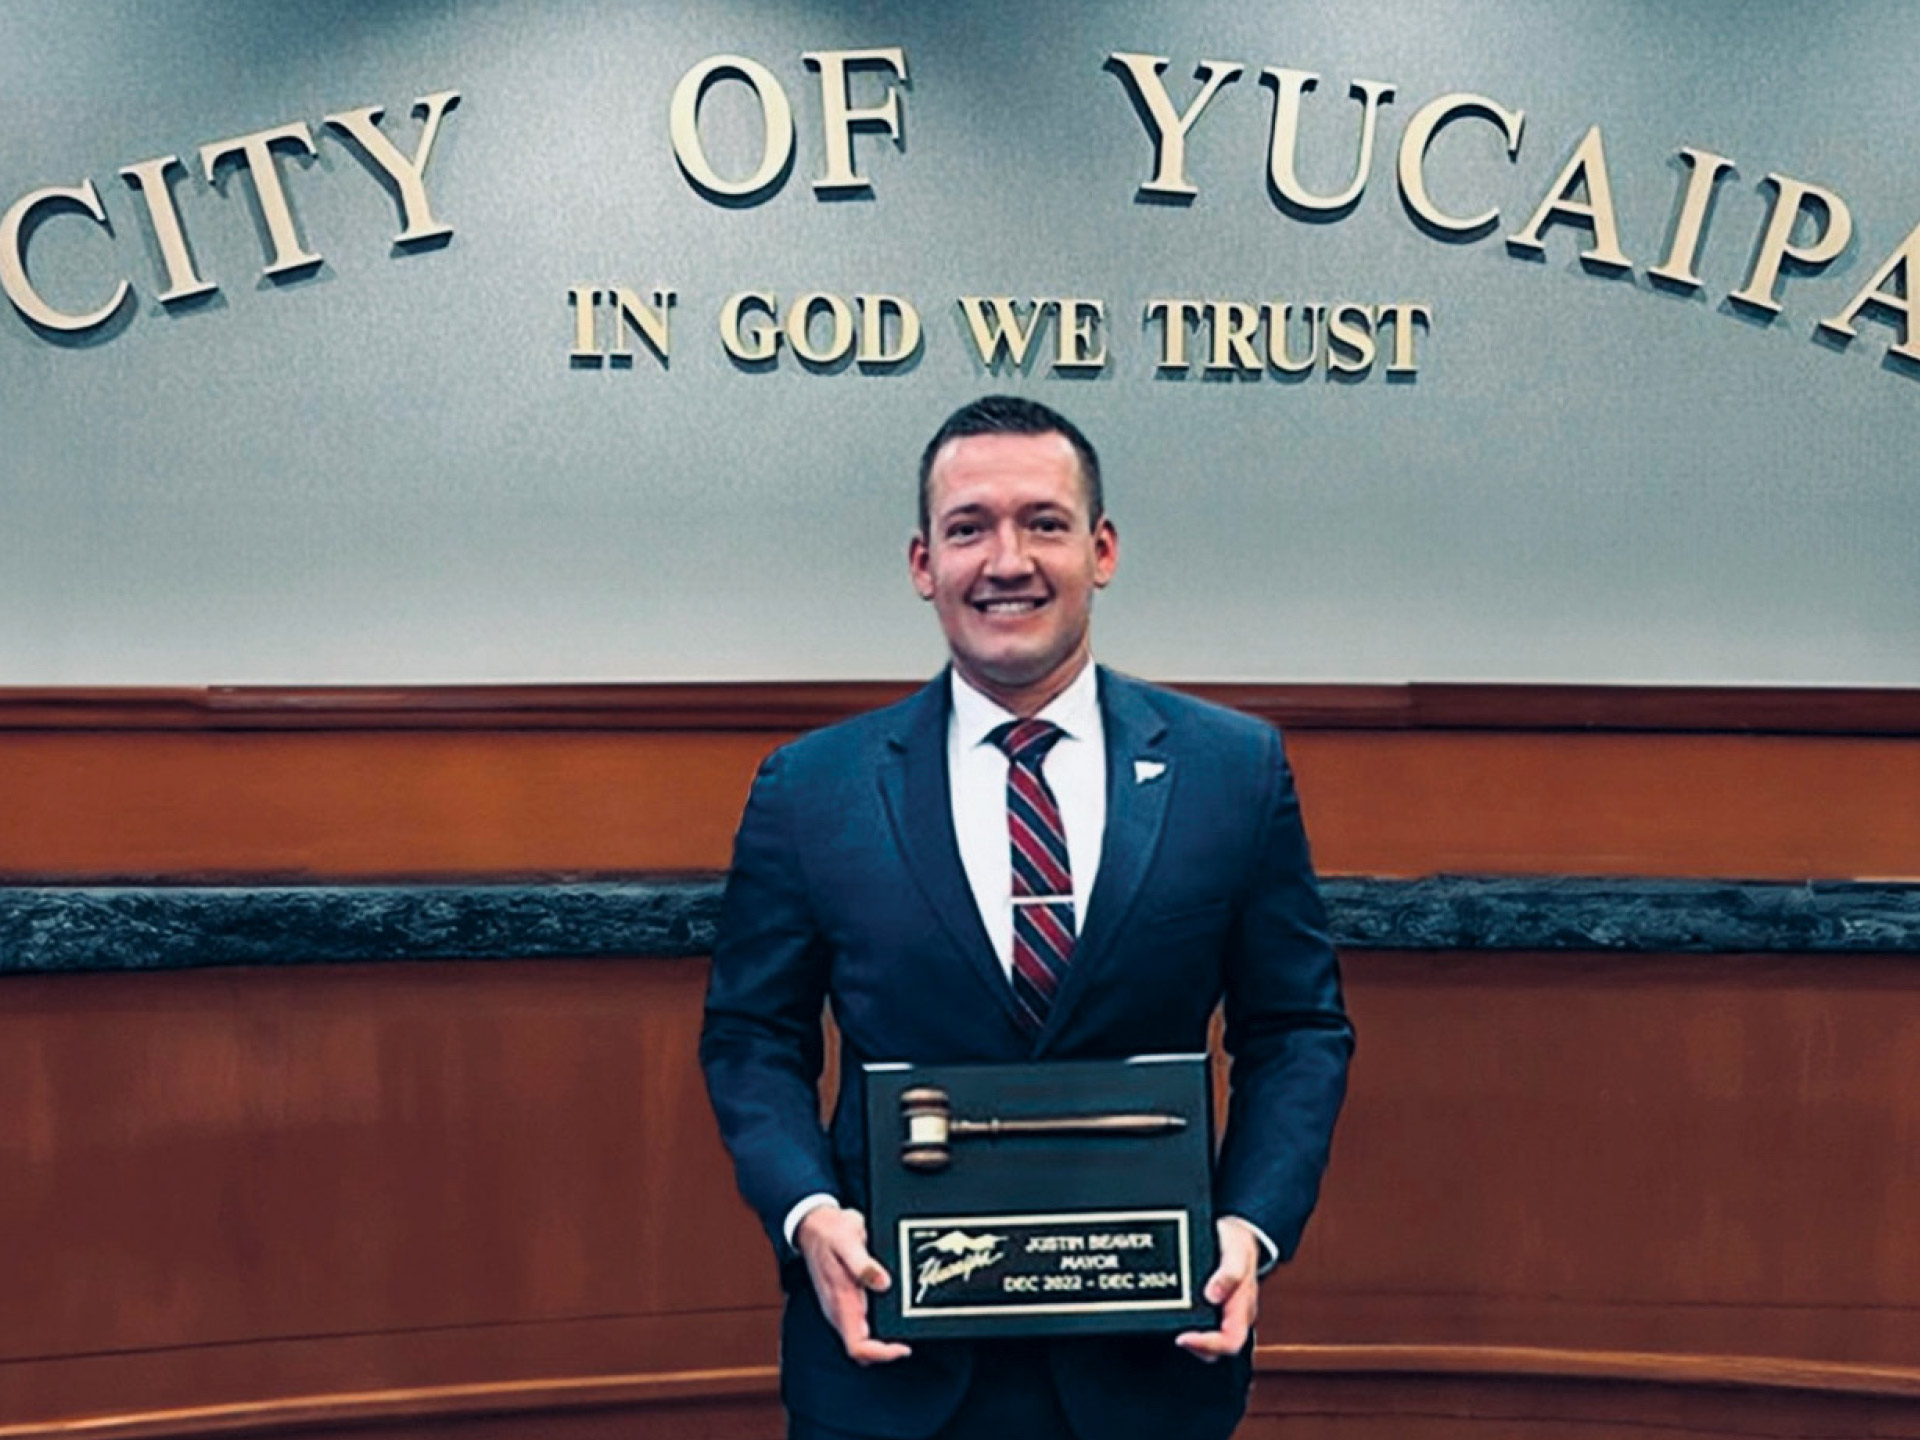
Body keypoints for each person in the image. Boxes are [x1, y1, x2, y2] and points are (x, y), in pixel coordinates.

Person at [700, 395, 1352, 1440]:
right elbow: (749, 1037)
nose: (1008, 560)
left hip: (1151, 1364)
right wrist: (806, 1215)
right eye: (969, 528)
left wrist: (1251, 1227)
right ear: (924, 564)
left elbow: (1297, 1030)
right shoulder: (810, 790)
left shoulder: (1233, 771)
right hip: (892, 1363)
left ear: (1101, 550)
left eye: (1043, 523)